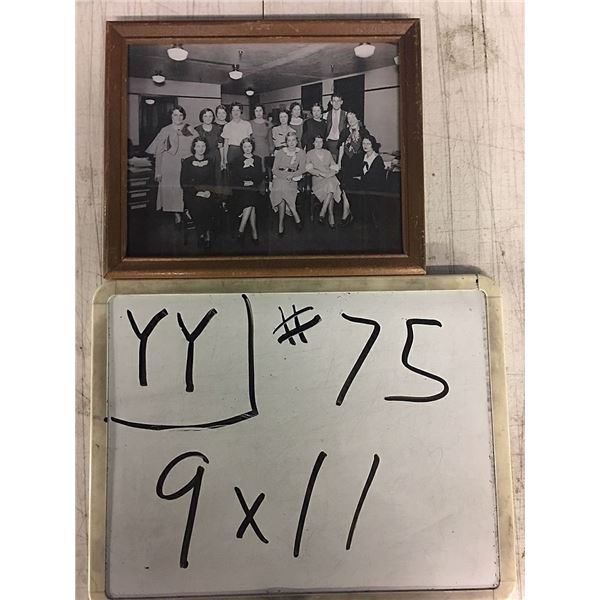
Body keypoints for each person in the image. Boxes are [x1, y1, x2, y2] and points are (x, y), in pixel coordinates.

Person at [145, 105, 198, 224]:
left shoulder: (189, 129)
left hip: (185, 163)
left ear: (184, 116)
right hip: (169, 164)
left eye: (180, 115)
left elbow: (198, 145)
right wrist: (158, 171)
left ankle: (186, 210)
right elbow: (158, 152)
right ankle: (176, 213)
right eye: (175, 115)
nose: (178, 117)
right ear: (171, 116)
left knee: (185, 188)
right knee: (173, 189)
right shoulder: (165, 130)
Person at [336, 110, 371, 225]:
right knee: (345, 188)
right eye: (348, 118)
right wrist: (339, 163)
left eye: (352, 117)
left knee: (354, 188)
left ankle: (353, 213)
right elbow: (341, 147)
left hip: (358, 163)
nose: (350, 120)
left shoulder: (364, 132)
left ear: (357, 118)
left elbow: (368, 148)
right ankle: (345, 214)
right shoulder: (345, 132)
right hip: (346, 163)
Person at [180, 138, 216, 248]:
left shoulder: (210, 161)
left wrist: (209, 191)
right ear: (194, 147)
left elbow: (212, 180)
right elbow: (184, 183)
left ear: (206, 147)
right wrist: (197, 192)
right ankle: (202, 234)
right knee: (199, 204)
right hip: (192, 194)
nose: (201, 149)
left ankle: (206, 232)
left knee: (210, 204)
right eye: (198, 146)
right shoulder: (187, 162)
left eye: (203, 146)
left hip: (207, 192)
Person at [270, 131, 306, 236]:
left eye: (293, 140)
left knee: (283, 191)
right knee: (281, 188)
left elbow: (302, 169)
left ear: (297, 141)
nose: (291, 142)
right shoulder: (280, 152)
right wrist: (284, 176)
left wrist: (292, 175)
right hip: (279, 177)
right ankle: (295, 213)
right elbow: (274, 170)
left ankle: (280, 224)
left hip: (292, 178)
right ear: (286, 142)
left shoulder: (301, 153)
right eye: (289, 140)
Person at [229, 137, 263, 244]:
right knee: (251, 203)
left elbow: (260, 176)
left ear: (252, 147)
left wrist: (252, 182)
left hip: (253, 187)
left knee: (250, 201)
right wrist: (244, 183)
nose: (247, 149)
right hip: (241, 188)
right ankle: (253, 232)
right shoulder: (237, 160)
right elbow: (234, 177)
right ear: (242, 148)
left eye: (249, 146)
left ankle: (241, 230)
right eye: (245, 147)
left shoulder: (257, 159)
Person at [305, 135, 342, 228]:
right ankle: (330, 214)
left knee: (331, 184)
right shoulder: (309, 153)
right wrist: (321, 174)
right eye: (316, 142)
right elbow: (309, 169)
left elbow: (333, 166)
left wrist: (331, 173)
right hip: (318, 179)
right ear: (313, 143)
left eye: (320, 142)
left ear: (323, 143)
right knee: (332, 186)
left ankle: (323, 212)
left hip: (329, 177)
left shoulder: (327, 153)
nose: (318, 144)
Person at [221, 102, 253, 171]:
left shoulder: (247, 124)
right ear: (231, 112)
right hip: (232, 152)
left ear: (241, 111)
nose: (235, 112)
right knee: (232, 173)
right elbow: (225, 144)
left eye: (238, 110)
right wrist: (225, 159)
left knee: (245, 172)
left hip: (244, 151)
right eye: (233, 110)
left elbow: (249, 142)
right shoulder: (227, 126)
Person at [250, 104, 274, 175]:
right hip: (253, 150)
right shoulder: (249, 123)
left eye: (260, 110)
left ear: (263, 111)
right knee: (254, 170)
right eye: (256, 111)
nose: (258, 113)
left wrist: (271, 151)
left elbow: (270, 139)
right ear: (254, 112)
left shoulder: (268, 124)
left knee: (264, 171)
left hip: (265, 150)